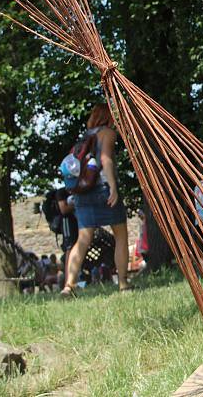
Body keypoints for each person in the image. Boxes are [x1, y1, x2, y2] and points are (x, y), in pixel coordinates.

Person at [61, 103, 131, 295]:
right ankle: (123, 283)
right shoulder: (107, 133)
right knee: (121, 235)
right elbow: (106, 160)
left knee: (83, 239)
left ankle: (69, 286)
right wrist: (113, 188)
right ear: (108, 116)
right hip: (102, 189)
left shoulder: (85, 136)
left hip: (83, 192)